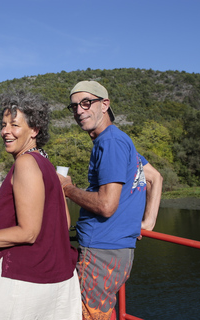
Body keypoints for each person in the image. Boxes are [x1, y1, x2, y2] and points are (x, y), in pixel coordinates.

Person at [0, 89, 81, 320]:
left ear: (35, 130)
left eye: (14, 125)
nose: (5, 131)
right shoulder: (46, 163)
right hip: (59, 282)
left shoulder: (26, 163)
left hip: (22, 283)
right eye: (3, 124)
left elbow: (28, 233)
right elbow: (66, 221)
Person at [57, 81, 163, 320]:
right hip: (117, 251)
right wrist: (147, 223)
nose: (79, 111)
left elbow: (106, 205)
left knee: (89, 316)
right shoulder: (120, 139)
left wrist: (68, 188)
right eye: (73, 106)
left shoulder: (109, 142)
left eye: (86, 103)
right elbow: (155, 178)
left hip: (101, 252)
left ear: (105, 104)